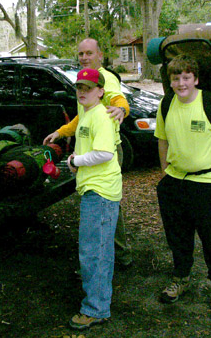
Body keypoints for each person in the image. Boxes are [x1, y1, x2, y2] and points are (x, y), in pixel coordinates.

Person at [154, 54, 211, 318]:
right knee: (178, 238)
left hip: (208, 183)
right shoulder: (166, 103)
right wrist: (165, 174)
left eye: (186, 78)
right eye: (176, 78)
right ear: (170, 81)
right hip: (175, 184)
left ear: (196, 79)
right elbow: (162, 139)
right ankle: (181, 278)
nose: (181, 83)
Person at [43, 38, 132, 266]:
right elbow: (81, 117)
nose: (84, 57)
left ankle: (117, 255)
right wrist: (61, 132)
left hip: (105, 151)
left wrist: (121, 109)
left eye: (89, 53)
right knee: (102, 204)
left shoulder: (105, 78)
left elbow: (119, 99)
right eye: (81, 54)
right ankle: (108, 253)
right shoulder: (85, 82)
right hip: (90, 153)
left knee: (107, 204)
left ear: (99, 55)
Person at [66, 68, 122, 330]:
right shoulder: (87, 113)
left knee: (94, 252)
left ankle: (95, 308)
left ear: (101, 91)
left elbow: (104, 154)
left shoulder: (101, 115)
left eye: (88, 88)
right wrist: (76, 163)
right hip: (94, 188)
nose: (82, 92)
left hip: (100, 192)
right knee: (98, 250)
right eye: (79, 88)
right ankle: (98, 302)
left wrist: (76, 161)